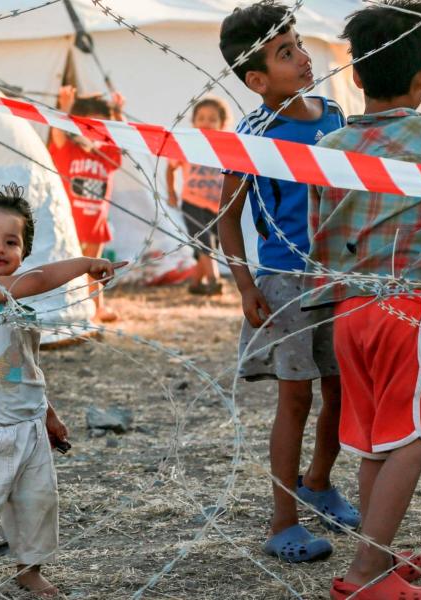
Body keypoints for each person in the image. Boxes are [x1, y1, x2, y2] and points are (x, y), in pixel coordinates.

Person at [302, 2, 421, 598]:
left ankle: (375, 555)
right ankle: (362, 577)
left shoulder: (329, 144)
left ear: (354, 73)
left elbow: (317, 232)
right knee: (413, 441)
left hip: (348, 311)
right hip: (407, 309)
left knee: (377, 439)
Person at [216, 0, 360, 563]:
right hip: (285, 282)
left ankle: (320, 482)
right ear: (256, 79)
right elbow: (227, 218)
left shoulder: (334, 117)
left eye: (298, 45)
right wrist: (245, 286)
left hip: (341, 276)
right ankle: (283, 521)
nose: (301, 57)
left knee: (342, 390)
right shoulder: (255, 134)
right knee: (295, 398)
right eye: (284, 53)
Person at [0, 184, 124, 596]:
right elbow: (35, 280)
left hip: (27, 426)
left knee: (37, 505)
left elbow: (25, 368)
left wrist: (47, 413)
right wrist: (85, 263)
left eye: (12, 241)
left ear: (23, 250)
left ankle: (29, 569)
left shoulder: (17, 308)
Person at [48, 85, 125, 322]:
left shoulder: (107, 155)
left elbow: (120, 138)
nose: (94, 134)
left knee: (95, 269)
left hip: (95, 222)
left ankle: (97, 306)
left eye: (100, 128)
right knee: (65, 267)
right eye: (89, 127)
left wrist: (118, 114)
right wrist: (65, 109)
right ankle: (63, 307)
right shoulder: (67, 150)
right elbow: (58, 134)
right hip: (69, 223)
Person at [166, 97, 230, 295]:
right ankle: (214, 280)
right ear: (193, 122)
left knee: (209, 246)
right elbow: (170, 168)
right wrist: (171, 193)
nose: (206, 123)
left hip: (217, 205)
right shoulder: (187, 145)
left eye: (212, 119)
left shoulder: (226, 148)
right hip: (192, 201)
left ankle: (195, 283)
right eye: (201, 118)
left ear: (222, 124)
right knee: (204, 242)